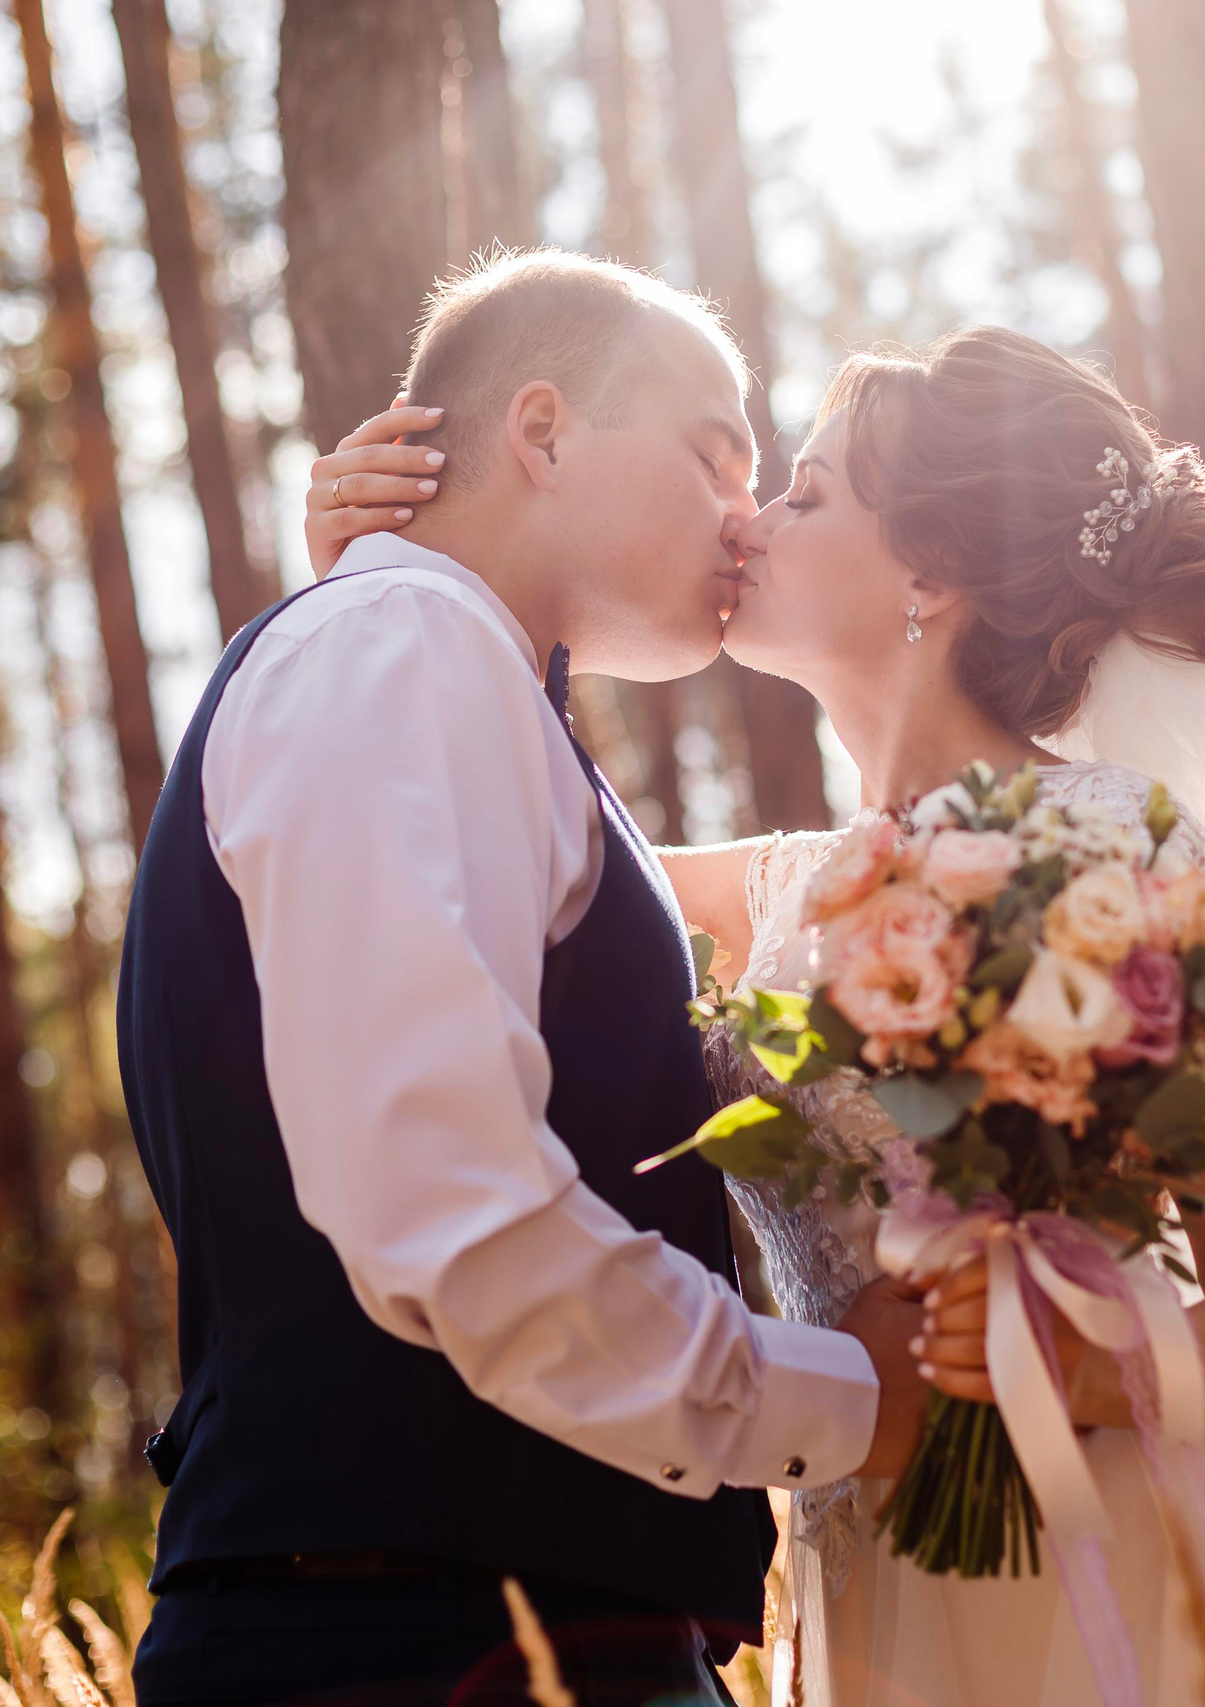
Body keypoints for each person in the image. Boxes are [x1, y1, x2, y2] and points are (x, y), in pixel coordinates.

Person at [307, 309, 1205, 1705]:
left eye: (802, 492)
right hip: (882, 1589)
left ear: (928, 569)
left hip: (1138, 1575)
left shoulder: (1125, 861)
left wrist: (1064, 1358)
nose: (747, 519)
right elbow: (484, 810)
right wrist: (393, 572)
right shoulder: (772, 890)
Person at [118, 251, 938, 1707]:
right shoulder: (400, 650)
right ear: (545, 432)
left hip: (460, 1623)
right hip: (420, 1648)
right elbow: (448, 1203)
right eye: (713, 452)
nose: (746, 514)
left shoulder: (442, 673)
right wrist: (844, 1403)